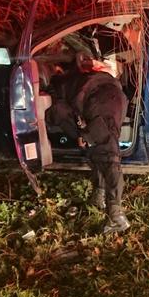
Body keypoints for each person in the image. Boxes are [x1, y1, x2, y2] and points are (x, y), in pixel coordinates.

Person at [49, 44, 130, 234]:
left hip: (101, 102)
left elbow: (63, 111)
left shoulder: (60, 84)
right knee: (96, 151)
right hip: (110, 97)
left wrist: (83, 134)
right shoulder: (76, 77)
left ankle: (117, 216)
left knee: (107, 155)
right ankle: (100, 196)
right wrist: (84, 135)